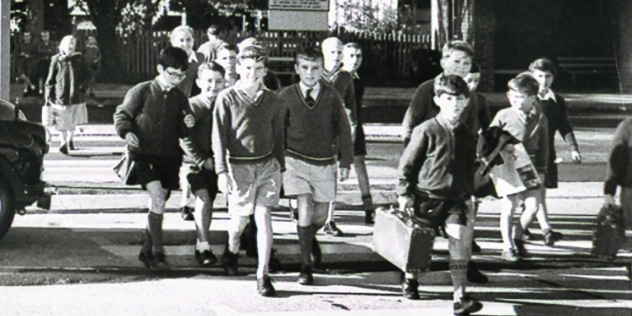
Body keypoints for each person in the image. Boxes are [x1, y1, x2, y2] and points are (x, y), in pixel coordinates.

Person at [400, 40, 487, 283]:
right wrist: (412, 168)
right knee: (421, 234)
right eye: (456, 61)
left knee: (462, 230)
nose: (461, 66)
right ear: (443, 62)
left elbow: (481, 127)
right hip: (428, 170)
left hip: (458, 175)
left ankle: (463, 270)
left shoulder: (471, 94)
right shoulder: (428, 89)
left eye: (466, 63)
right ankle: (411, 277)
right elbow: (410, 125)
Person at [397, 74, 482, 315]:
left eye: (459, 99)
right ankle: (411, 280)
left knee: (458, 244)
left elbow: (468, 168)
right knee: (420, 246)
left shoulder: (468, 134)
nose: (454, 104)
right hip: (426, 197)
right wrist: (404, 192)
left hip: (455, 200)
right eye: (448, 99)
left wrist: (468, 195)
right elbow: (407, 165)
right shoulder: (426, 130)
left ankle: (460, 296)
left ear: (466, 101)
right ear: (438, 100)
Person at [212, 45, 285, 297]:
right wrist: (221, 171)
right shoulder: (227, 98)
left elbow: (278, 136)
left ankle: (262, 275)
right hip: (238, 167)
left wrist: (280, 166)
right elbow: (218, 137)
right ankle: (231, 250)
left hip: (267, 166)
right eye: (247, 68)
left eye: (257, 69)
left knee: (263, 217)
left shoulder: (273, 100)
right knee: (240, 221)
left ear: (265, 71)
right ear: (238, 69)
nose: (252, 73)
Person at [113, 46, 195, 269]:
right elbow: (122, 115)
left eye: (182, 75)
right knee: (157, 197)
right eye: (172, 73)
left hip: (169, 158)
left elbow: (182, 130)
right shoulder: (141, 91)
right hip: (144, 155)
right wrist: (127, 132)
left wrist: (187, 125)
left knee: (157, 203)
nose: (177, 79)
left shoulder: (180, 98)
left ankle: (146, 249)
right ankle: (159, 252)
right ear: (160, 69)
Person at [278, 47, 353, 286]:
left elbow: (343, 129)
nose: (310, 73)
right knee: (305, 206)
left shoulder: (331, 96)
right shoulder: (286, 95)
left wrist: (346, 161)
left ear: (323, 70)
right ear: (296, 69)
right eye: (305, 68)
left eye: (315, 68)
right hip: (294, 160)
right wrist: (278, 161)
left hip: (324, 162)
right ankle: (305, 266)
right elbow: (277, 131)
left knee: (320, 215)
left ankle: (309, 239)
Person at [489, 72, 549, 262]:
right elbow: (489, 138)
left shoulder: (540, 119)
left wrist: (542, 170)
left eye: (521, 97)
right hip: (508, 164)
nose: (515, 100)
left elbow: (545, 147)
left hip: (529, 166)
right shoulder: (503, 115)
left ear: (533, 98)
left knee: (533, 205)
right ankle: (507, 247)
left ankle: (518, 235)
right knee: (510, 205)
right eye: (512, 96)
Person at [524, 57, 580, 245]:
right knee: (533, 194)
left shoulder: (557, 102)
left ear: (553, 78)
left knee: (539, 193)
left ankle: (524, 228)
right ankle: (545, 229)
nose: (544, 80)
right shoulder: (525, 99)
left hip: (547, 154)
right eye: (539, 76)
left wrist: (573, 148)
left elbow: (564, 126)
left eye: (547, 76)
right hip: (527, 153)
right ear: (532, 76)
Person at [180, 61, 226, 267]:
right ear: (199, 82)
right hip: (196, 163)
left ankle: (242, 243)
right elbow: (184, 138)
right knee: (204, 199)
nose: (213, 86)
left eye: (218, 81)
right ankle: (203, 245)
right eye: (209, 81)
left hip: (221, 161)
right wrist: (201, 159)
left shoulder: (226, 104)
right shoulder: (192, 105)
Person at [320, 37, 357, 237]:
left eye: (339, 52)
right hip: (311, 134)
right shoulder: (313, 74)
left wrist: (353, 130)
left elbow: (351, 108)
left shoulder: (345, 78)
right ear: (324, 53)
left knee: (331, 179)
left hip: (334, 134)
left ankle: (329, 219)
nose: (336, 57)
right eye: (332, 52)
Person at [170, 25, 206, 221]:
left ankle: (198, 199)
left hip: (200, 112)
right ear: (173, 43)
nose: (185, 44)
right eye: (180, 40)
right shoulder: (171, 62)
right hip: (180, 114)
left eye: (188, 40)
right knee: (187, 160)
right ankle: (185, 203)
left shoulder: (201, 60)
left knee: (197, 157)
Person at [341, 42, 374, 224]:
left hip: (355, 124)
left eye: (358, 56)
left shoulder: (359, 79)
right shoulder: (337, 77)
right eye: (351, 55)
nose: (355, 60)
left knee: (360, 163)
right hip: (339, 126)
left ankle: (368, 206)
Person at [462, 63, 492, 255]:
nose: (472, 85)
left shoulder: (480, 100)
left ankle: (469, 236)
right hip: (450, 154)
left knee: (471, 198)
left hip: (471, 154)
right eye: (468, 80)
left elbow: (487, 127)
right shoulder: (453, 99)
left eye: (476, 81)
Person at [44, 35, 91, 155]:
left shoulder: (80, 59)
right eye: (68, 44)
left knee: (73, 120)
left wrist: (83, 87)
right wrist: (48, 96)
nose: (71, 46)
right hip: (61, 95)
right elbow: (50, 79)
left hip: (77, 95)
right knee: (62, 120)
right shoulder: (56, 59)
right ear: (62, 45)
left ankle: (70, 139)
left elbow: (89, 75)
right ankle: (63, 142)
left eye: (73, 44)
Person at [15, 31, 38, 96]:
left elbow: (35, 55)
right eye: (25, 36)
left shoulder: (33, 45)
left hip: (29, 62)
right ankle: (31, 85)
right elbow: (15, 53)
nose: (26, 38)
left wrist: (29, 56)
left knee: (27, 74)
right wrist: (20, 54)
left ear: (30, 37)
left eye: (28, 36)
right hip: (21, 62)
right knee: (21, 74)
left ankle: (26, 89)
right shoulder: (20, 44)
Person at [36, 31, 57, 96]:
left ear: (49, 36)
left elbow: (53, 51)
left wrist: (46, 53)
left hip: (50, 62)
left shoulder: (52, 44)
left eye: (46, 36)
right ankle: (40, 90)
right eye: (43, 36)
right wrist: (48, 51)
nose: (45, 38)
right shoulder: (39, 44)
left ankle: (51, 90)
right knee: (41, 76)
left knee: (51, 75)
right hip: (42, 62)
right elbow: (39, 51)